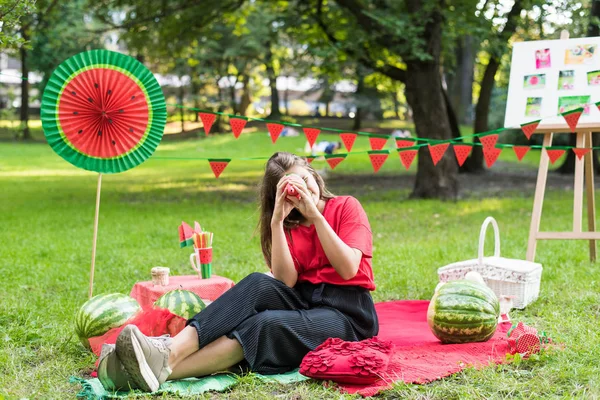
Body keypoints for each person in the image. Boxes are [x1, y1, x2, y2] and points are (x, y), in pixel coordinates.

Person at [97, 152, 378, 392]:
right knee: (257, 282)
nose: (304, 190)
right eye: (293, 188)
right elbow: (286, 281)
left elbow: (347, 267)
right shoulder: (288, 225)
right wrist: (278, 222)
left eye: (305, 179)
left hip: (347, 315)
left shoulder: (346, 207)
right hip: (305, 299)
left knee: (265, 324)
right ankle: (166, 353)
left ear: (313, 174)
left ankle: (160, 368)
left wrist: (315, 215)